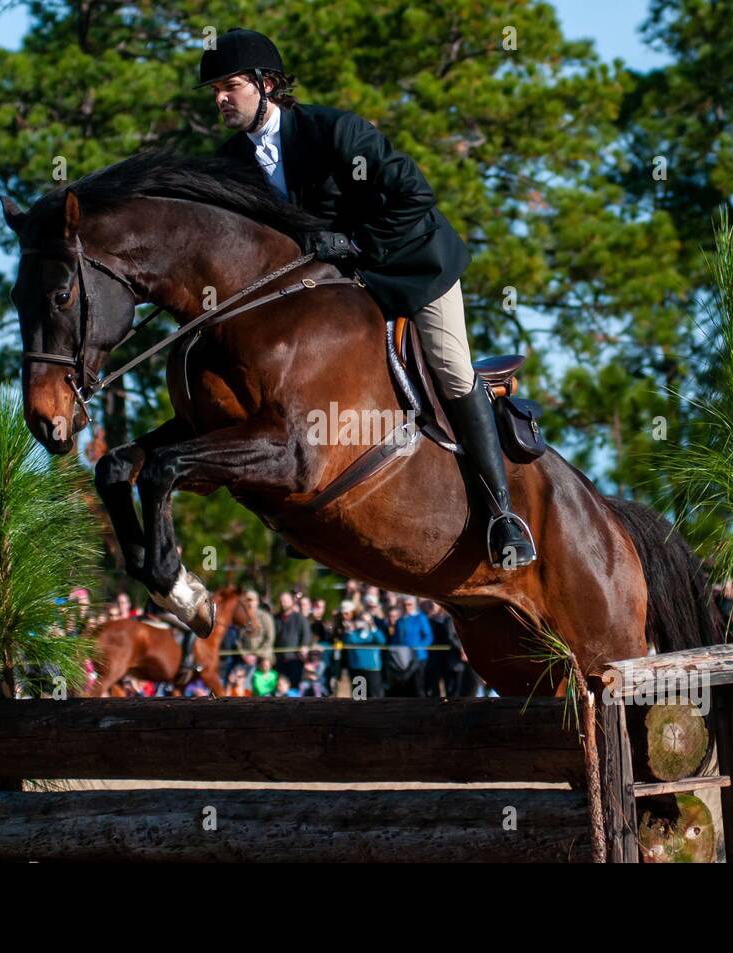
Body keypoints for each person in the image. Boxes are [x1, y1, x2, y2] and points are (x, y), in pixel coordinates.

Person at [199, 28, 535, 570]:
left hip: (411, 263)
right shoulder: (230, 161)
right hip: (341, 287)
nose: (219, 98)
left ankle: (503, 514)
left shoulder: (335, 130)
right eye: (214, 89)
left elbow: (414, 196)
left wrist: (357, 243)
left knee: (450, 369)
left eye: (229, 86)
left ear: (265, 84)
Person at [388, 596, 433, 697]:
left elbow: (428, 636)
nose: (407, 607)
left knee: (418, 685)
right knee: (405, 685)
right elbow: (396, 638)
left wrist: (419, 647)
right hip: (403, 659)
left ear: (414, 605)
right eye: (405, 605)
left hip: (418, 657)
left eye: (409, 604)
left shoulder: (420, 617)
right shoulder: (400, 620)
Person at [341, 609, 386, 699]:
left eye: (367, 620)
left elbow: (381, 641)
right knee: (359, 698)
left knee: (374, 697)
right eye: (362, 620)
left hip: (372, 668)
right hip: (357, 668)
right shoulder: (354, 633)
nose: (364, 622)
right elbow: (347, 642)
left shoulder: (374, 633)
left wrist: (372, 627)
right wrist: (350, 630)